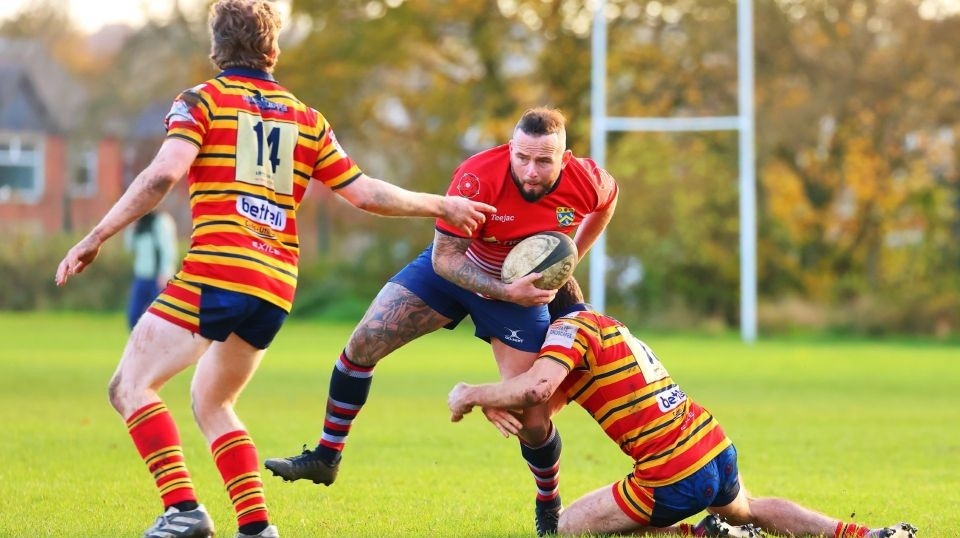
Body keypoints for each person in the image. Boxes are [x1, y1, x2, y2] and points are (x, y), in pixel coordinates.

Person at [54, 1, 494, 537]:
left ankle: (182, 510)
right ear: (273, 50)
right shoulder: (308, 118)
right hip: (275, 284)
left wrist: (96, 234)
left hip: (218, 271)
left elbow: (162, 175)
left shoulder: (202, 101)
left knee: (129, 387)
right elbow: (365, 193)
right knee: (212, 401)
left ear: (217, 48)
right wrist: (440, 204)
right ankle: (257, 527)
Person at [265, 107, 619, 536]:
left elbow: (607, 202)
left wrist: (573, 256)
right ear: (510, 148)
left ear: (563, 159)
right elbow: (444, 259)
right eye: (522, 157)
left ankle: (548, 503)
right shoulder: (478, 177)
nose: (529, 170)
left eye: (543, 161)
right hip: (457, 272)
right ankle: (326, 455)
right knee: (363, 344)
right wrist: (504, 290)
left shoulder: (587, 181)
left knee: (532, 416)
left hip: (520, 294)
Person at [447, 277, 919, 538]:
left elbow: (536, 388)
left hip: (671, 470)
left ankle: (703, 537)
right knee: (748, 508)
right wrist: (501, 398)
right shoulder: (608, 327)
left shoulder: (570, 331)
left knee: (569, 530)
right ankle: (867, 537)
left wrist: (470, 393)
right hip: (711, 443)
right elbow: (543, 404)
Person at [124, 210, 178, 330]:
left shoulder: (161, 221)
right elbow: (129, 248)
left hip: (158, 278)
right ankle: (139, 345)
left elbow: (168, 250)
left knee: (160, 319)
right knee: (133, 316)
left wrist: (165, 273)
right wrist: (130, 229)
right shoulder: (139, 224)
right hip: (141, 277)